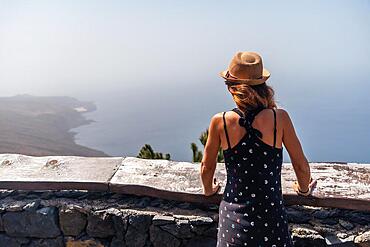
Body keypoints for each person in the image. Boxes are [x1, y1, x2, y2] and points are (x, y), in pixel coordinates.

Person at [199, 51, 317, 247]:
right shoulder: (280, 119)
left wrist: (209, 190)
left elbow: (206, 168)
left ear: (231, 88)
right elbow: (301, 166)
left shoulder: (220, 121)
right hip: (271, 220)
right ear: (262, 86)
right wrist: (303, 190)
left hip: (232, 222)